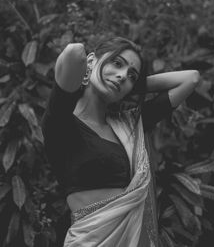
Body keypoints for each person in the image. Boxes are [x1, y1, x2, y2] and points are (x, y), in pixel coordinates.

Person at [41, 37, 200, 247]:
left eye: (131, 75)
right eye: (117, 63)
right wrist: (108, 76)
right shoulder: (61, 122)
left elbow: (191, 79)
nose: (123, 75)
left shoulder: (128, 126)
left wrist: (128, 86)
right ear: (91, 62)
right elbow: (74, 53)